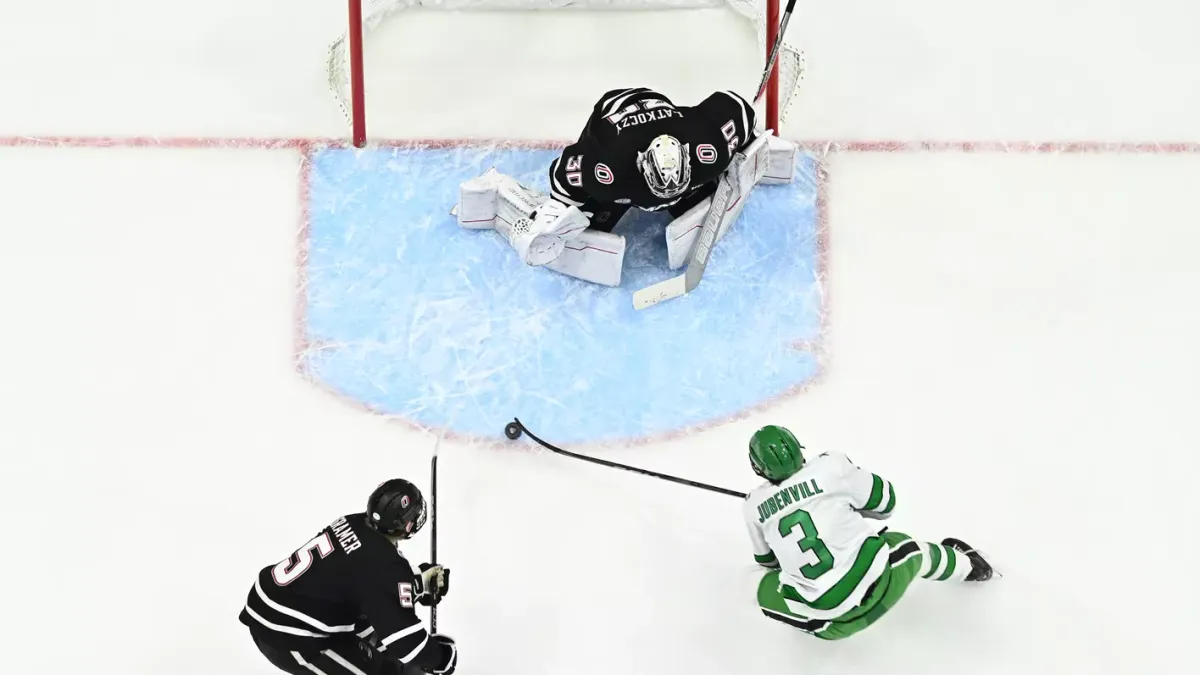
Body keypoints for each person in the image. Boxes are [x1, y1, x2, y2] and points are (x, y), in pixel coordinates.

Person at [452, 87, 796, 286]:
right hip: (612, 115)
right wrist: (558, 215)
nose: (665, 196)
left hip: (665, 112)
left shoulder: (707, 147)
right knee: (589, 218)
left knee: (695, 193)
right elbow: (562, 172)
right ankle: (501, 188)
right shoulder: (609, 168)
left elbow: (734, 105)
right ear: (642, 167)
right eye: (659, 188)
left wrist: (749, 147)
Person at [743, 425, 995, 640]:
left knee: (759, 583)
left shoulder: (753, 505)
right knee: (906, 547)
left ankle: (806, 616)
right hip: (882, 585)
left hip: (830, 625)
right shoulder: (831, 466)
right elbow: (887, 503)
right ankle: (971, 568)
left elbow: (768, 562)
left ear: (758, 467)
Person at [239, 479, 457, 675]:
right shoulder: (383, 566)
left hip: (272, 603)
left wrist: (415, 584)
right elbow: (407, 644)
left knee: (384, 651)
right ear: (408, 524)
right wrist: (441, 657)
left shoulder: (354, 522)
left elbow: (361, 583)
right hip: (286, 635)